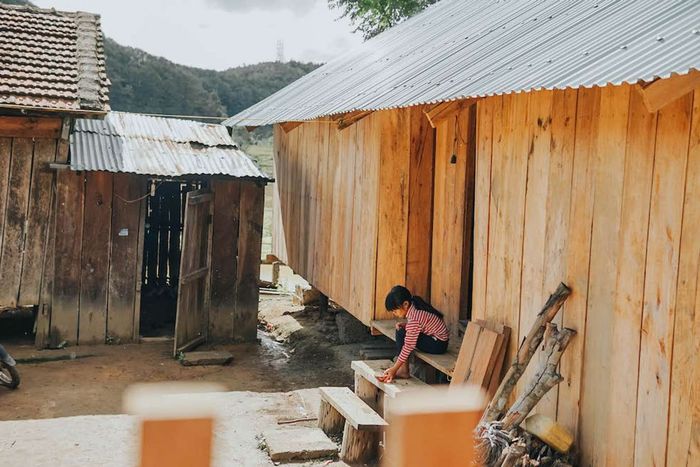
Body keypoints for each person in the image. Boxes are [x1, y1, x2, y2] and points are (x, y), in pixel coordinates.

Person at [376, 285, 449, 383]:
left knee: (401, 333)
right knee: (401, 330)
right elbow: (420, 326)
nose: (394, 313)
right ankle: (403, 369)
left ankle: (403, 370)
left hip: (438, 345)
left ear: (405, 304)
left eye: (395, 310)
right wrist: (406, 326)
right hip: (437, 340)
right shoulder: (414, 307)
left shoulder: (414, 317)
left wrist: (394, 368)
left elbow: (408, 346)